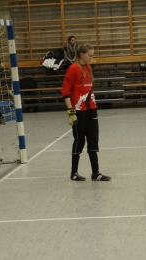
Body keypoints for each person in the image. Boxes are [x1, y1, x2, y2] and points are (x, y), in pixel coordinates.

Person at [61, 44, 111, 181]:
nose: (91, 58)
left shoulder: (88, 67)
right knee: (79, 140)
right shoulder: (73, 69)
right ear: (82, 54)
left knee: (93, 140)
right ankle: (74, 172)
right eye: (90, 55)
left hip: (91, 109)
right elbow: (65, 91)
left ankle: (96, 173)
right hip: (78, 110)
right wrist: (71, 111)